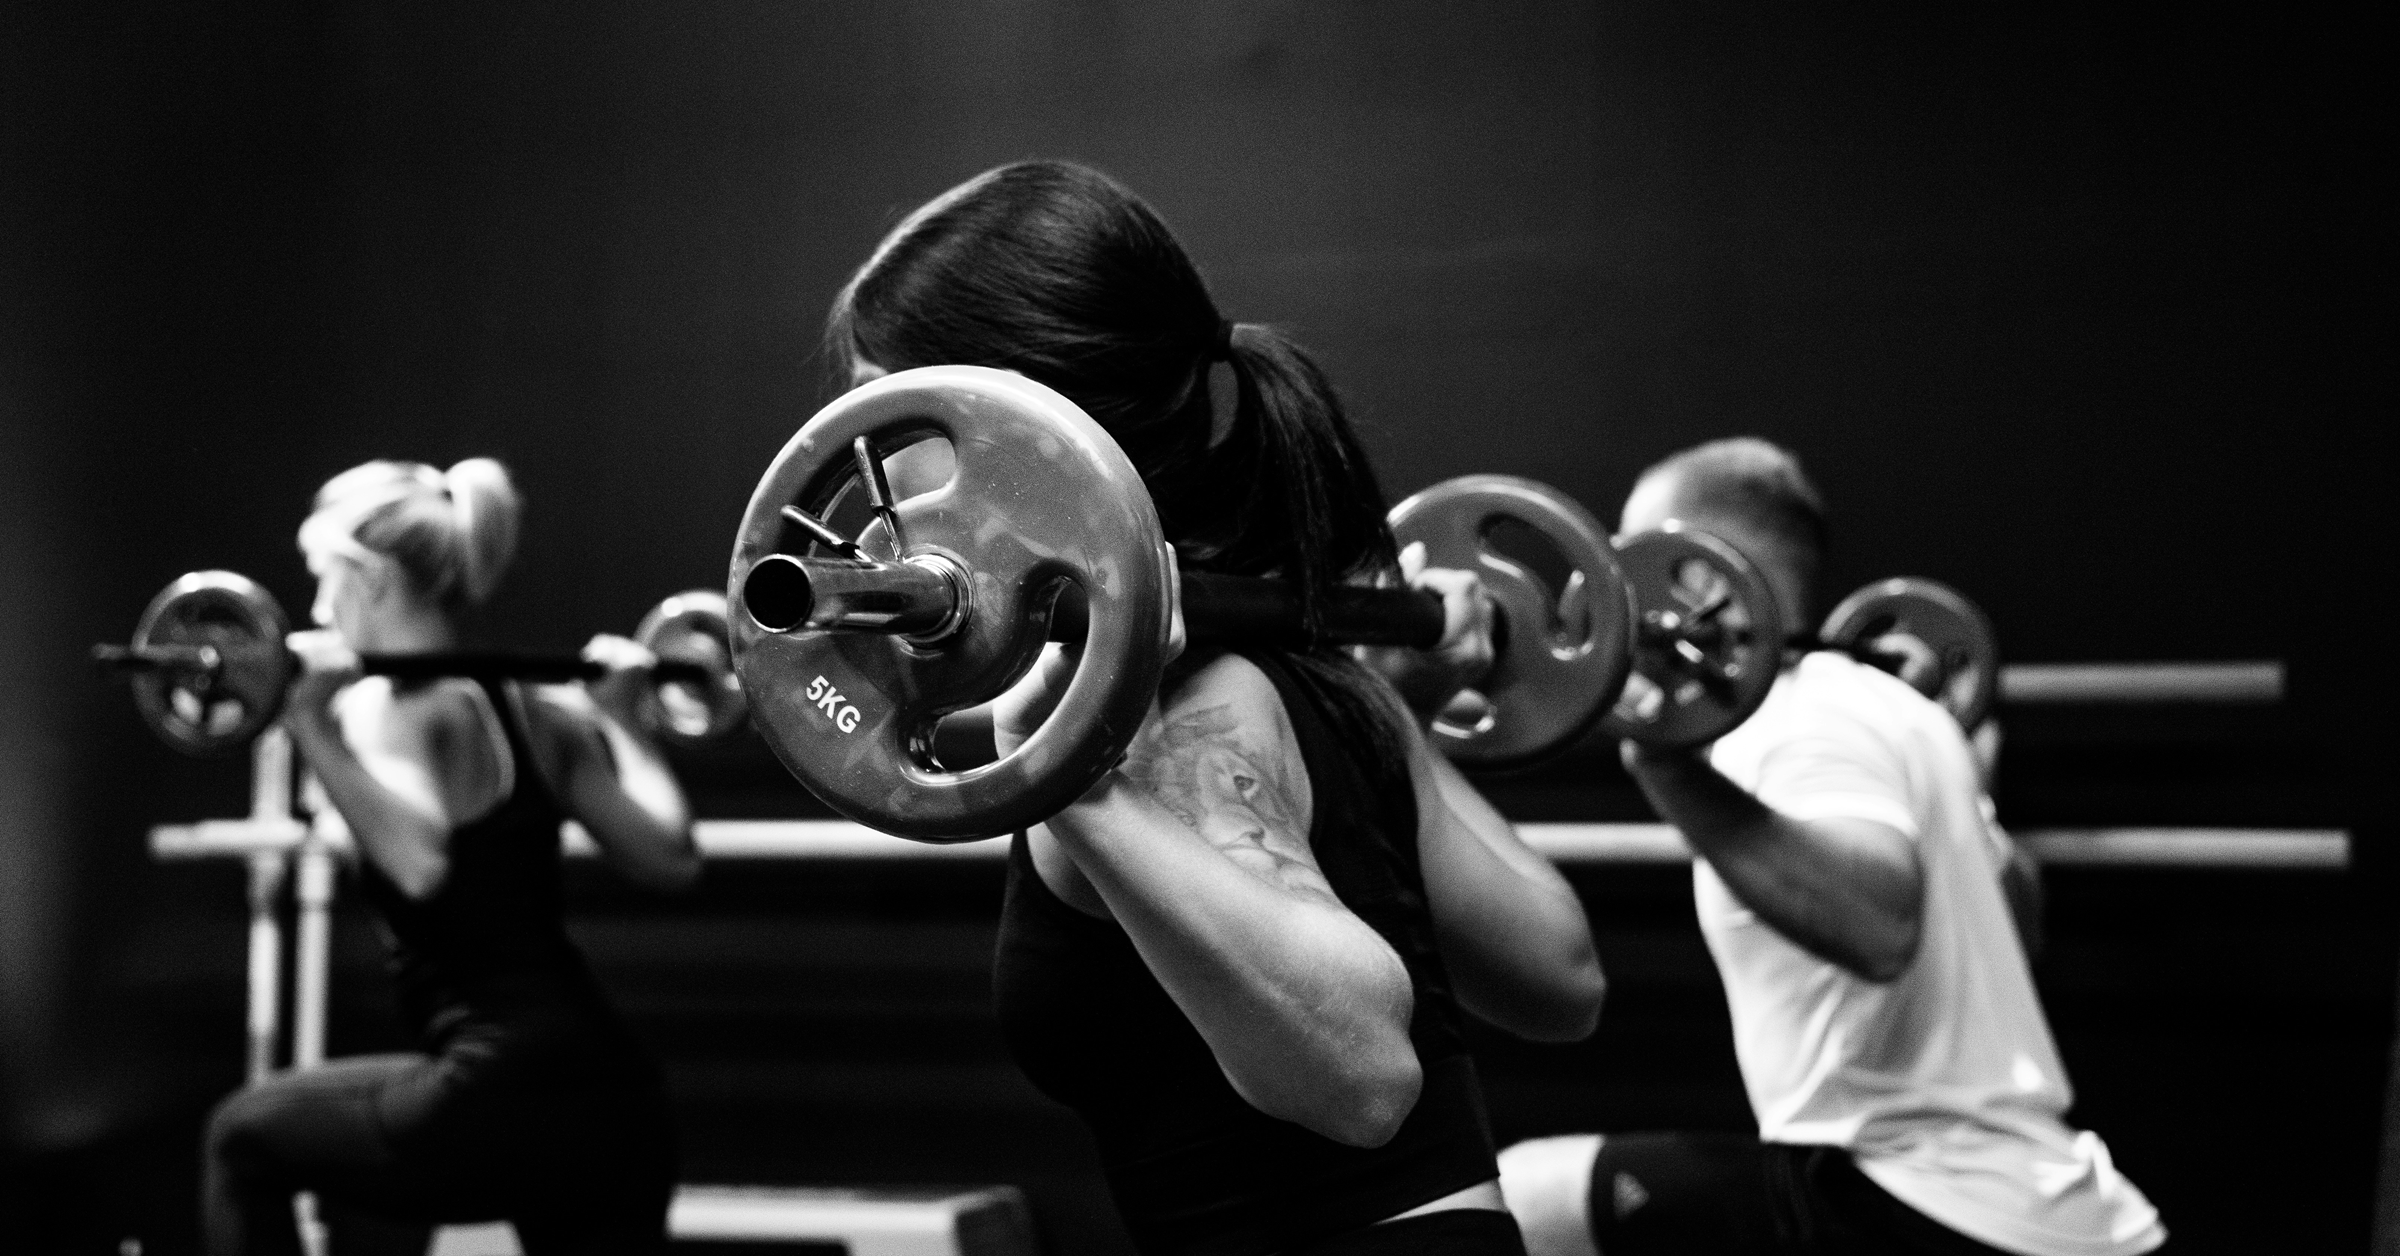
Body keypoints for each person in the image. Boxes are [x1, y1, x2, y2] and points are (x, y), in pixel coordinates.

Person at [826, 160, 1608, 1255]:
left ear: (1017, 421)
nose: (864, 476)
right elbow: (1561, 980)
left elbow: (1367, 1078)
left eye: (890, 417)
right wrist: (1402, 723)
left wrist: (1075, 785)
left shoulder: (1177, 714)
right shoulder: (1322, 674)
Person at [1497, 438, 2164, 1256]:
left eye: (1636, 550)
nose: (1618, 590)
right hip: (2055, 1211)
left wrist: (1660, 759)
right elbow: (2020, 933)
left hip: (1919, 1197)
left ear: (1698, 574)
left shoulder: (1793, 722)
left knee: (1526, 1202)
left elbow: (1879, 927)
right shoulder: (1891, 709)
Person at [201, 458, 702, 1255]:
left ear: (371, 582)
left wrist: (308, 725)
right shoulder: (543, 708)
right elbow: (672, 858)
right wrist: (626, 720)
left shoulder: (381, 710)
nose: (321, 609)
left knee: (243, 1137)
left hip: (497, 1085)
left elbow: (420, 863)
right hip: (613, 1103)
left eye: (326, 580)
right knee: (371, 1186)